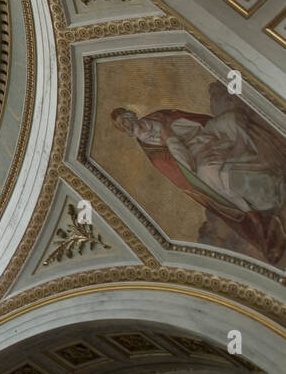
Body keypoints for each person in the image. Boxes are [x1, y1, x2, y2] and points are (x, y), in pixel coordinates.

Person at [112, 89, 286, 264]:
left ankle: (270, 156)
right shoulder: (153, 150)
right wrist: (170, 138)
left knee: (232, 119)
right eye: (121, 127)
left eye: (124, 121)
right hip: (197, 157)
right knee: (211, 174)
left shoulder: (159, 116)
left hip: (204, 133)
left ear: (131, 114)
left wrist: (194, 130)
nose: (126, 126)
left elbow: (195, 121)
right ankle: (267, 196)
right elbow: (183, 167)